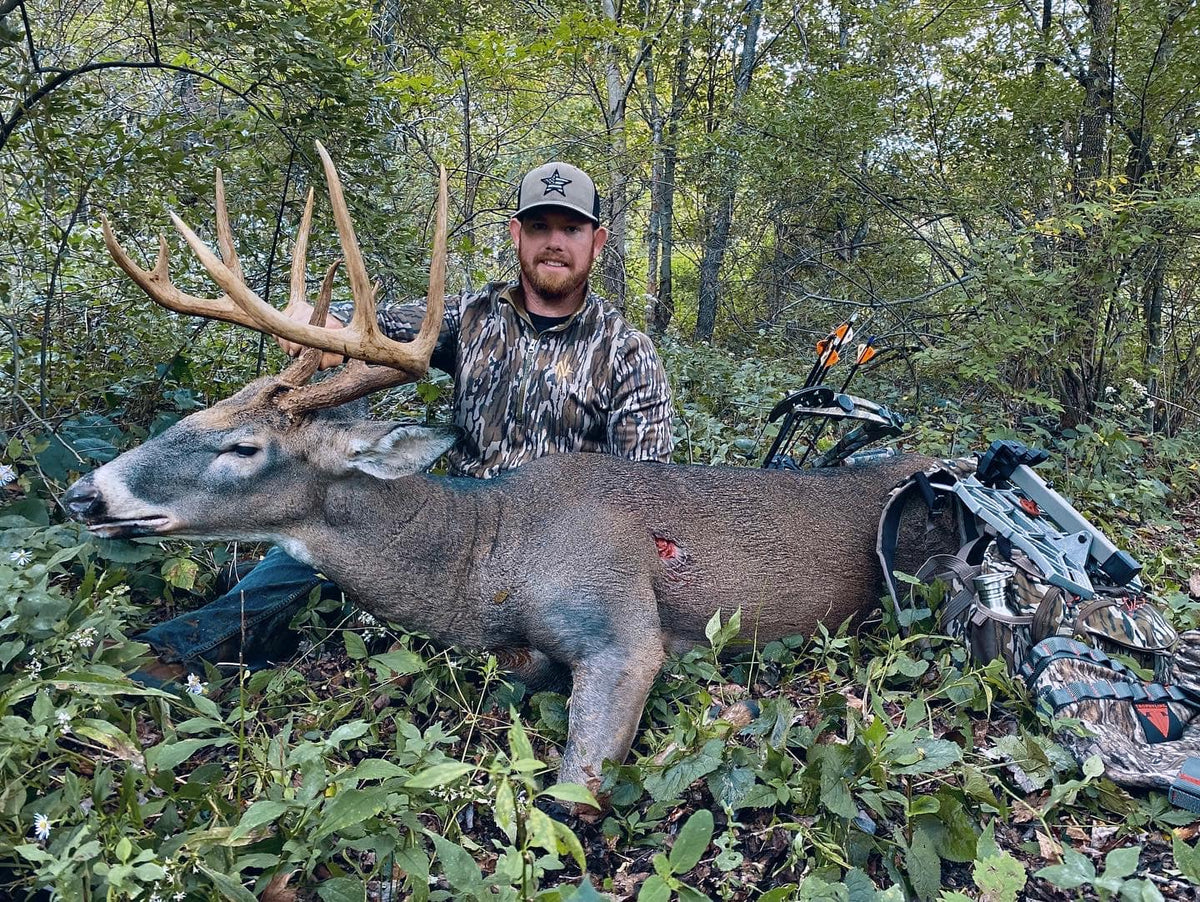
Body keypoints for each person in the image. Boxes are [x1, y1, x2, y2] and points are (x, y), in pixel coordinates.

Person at [136, 161, 675, 683]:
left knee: (533, 657)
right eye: (539, 227)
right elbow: (382, 325)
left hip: (555, 547)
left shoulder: (628, 352)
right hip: (457, 517)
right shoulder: (472, 316)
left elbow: (645, 494)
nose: (554, 242)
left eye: (571, 228)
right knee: (331, 524)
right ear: (517, 234)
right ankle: (172, 651)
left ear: (596, 242)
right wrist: (322, 326)